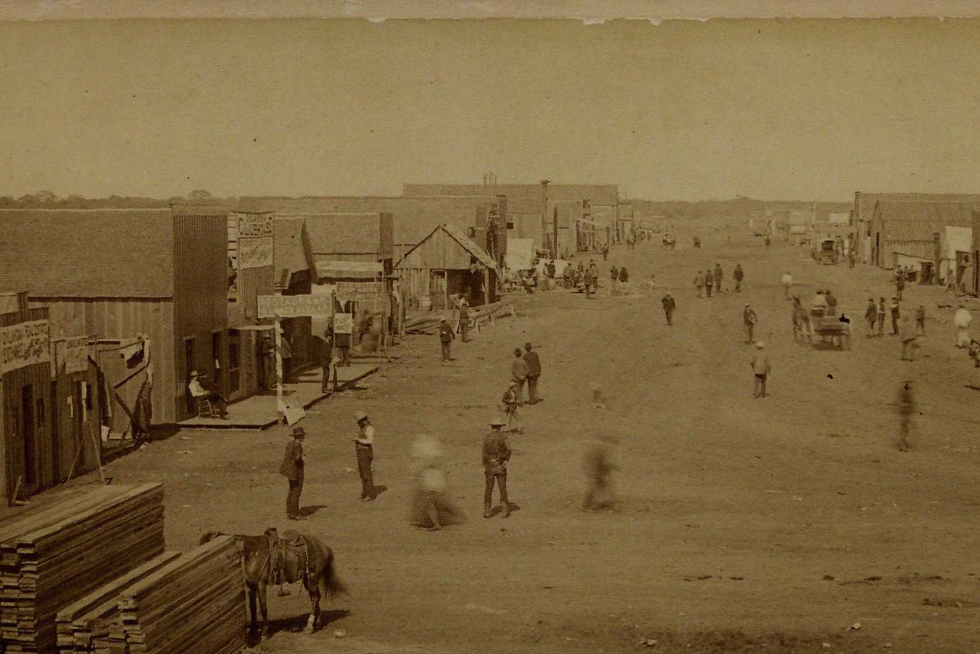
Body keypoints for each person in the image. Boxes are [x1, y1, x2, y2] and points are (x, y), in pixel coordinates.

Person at [410, 434, 463, 531]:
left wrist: (419, 471)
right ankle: (451, 516)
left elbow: (429, 463)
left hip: (431, 478)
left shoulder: (428, 453)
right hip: (433, 478)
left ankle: (444, 520)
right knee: (433, 500)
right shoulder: (434, 450)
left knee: (432, 500)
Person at [482, 416, 512, 518]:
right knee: (502, 487)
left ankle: (487, 510)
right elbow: (509, 449)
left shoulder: (486, 437)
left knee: (489, 488)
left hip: (490, 464)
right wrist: (506, 460)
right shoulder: (503, 437)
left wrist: (485, 463)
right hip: (500, 464)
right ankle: (504, 510)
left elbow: (484, 453)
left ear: (492, 426)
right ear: (500, 427)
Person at [582, 434, 619, 511]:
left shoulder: (596, 448)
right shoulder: (604, 449)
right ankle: (586, 506)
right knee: (597, 487)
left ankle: (600, 504)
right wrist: (614, 467)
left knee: (599, 487)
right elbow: (605, 462)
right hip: (597, 472)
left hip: (594, 471)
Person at [279, 427, 306, 520]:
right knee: (296, 491)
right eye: (303, 436)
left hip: (289, 471)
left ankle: (290, 511)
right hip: (295, 471)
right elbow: (298, 458)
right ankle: (295, 513)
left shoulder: (290, 444)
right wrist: (302, 458)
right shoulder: (297, 446)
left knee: (292, 490)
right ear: (300, 436)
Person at [354, 411, 376, 501]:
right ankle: (365, 492)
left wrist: (358, 440)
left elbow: (370, 441)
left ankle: (370, 494)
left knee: (366, 473)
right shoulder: (363, 428)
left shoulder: (369, 428)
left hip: (365, 452)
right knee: (362, 473)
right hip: (361, 452)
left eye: (359, 421)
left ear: (364, 421)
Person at [897, 381, 913, 452]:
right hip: (904, 414)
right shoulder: (905, 398)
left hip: (904, 414)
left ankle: (903, 444)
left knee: (905, 429)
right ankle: (903, 446)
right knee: (904, 430)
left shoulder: (902, 397)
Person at [319, 325, 334, 393]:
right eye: (330, 336)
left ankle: (325, 388)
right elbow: (323, 353)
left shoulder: (327, 343)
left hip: (326, 361)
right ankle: (324, 388)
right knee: (326, 375)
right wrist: (330, 357)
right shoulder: (324, 343)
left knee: (327, 374)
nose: (330, 337)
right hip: (324, 361)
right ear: (327, 336)